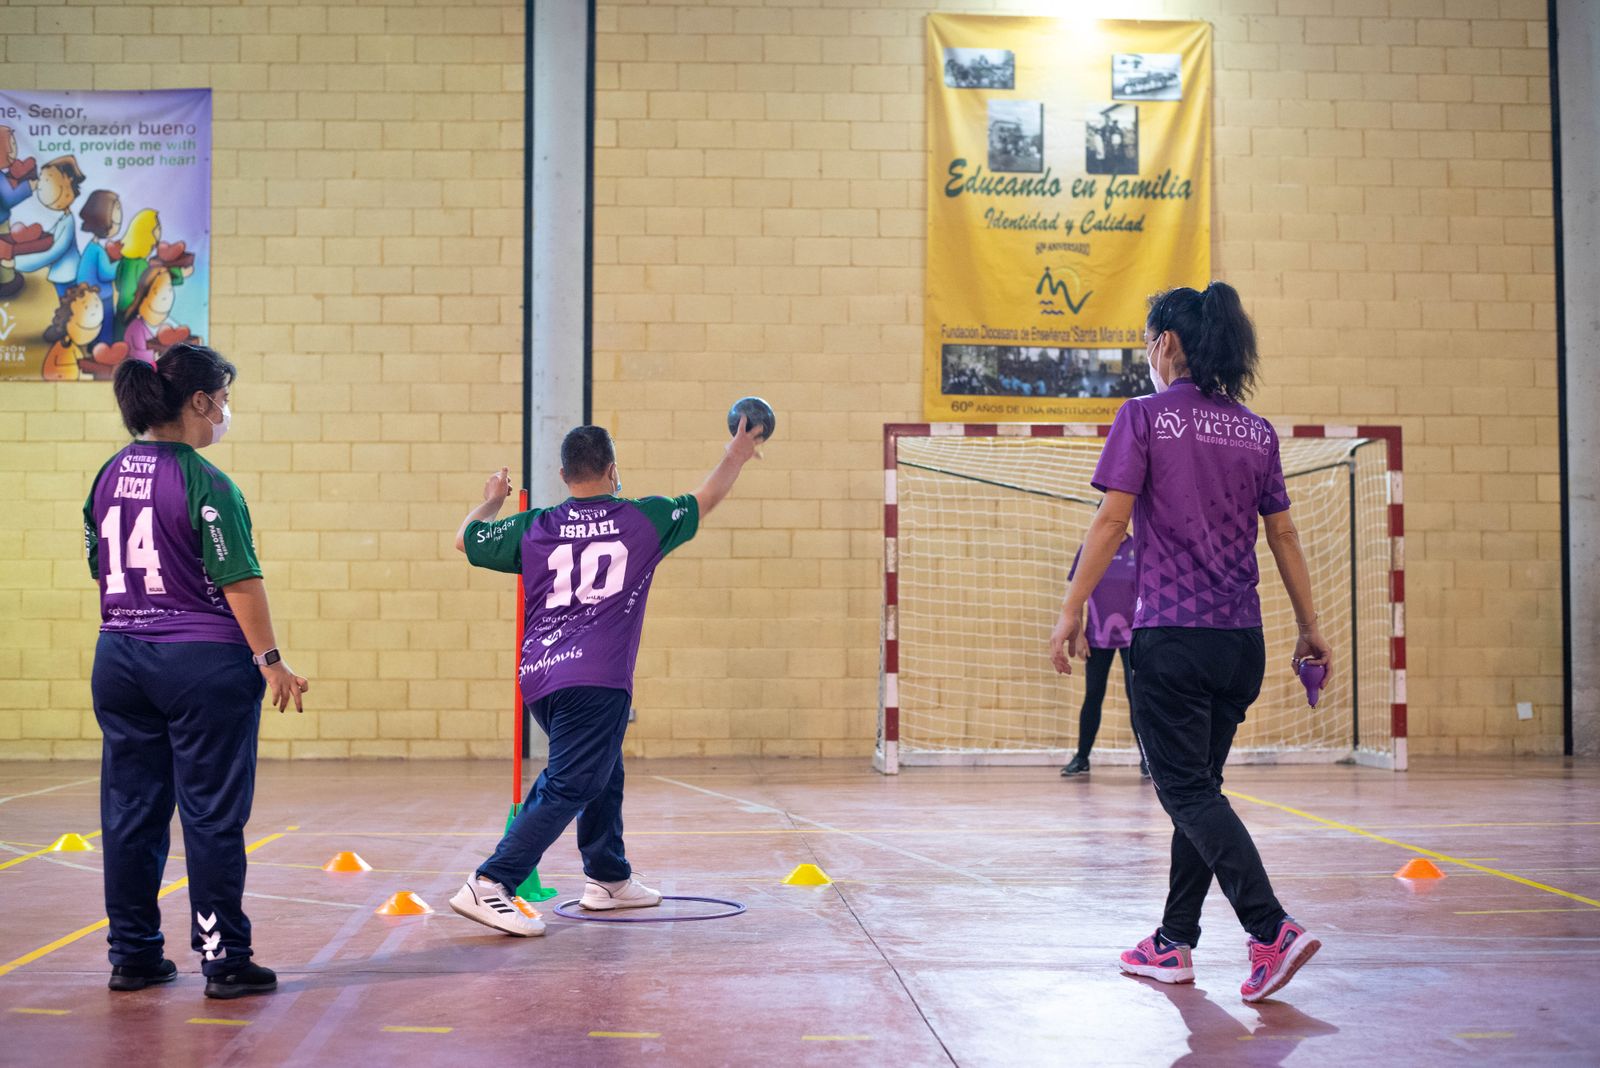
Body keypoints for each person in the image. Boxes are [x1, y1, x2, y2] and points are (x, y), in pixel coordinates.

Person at [1049, 281, 1332, 1003]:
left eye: (1148, 339)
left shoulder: (1143, 417)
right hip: (1243, 644)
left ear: (1166, 343)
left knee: (1185, 792)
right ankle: (1174, 942)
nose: (1146, 352)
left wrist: (1071, 608)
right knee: (1197, 793)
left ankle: (1270, 929)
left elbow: (1112, 523)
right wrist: (1311, 625)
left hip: (1173, 639)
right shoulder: (1257, 431)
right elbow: (1286, 534)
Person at [448, 419, 764, 936]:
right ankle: (490, 882)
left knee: (602, 767)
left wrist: (491, 501)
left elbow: (465, 539)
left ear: (563, 474)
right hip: (597, 679)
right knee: (573, 781)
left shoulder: (535, 525)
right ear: (613, 470)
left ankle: (608, 879)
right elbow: (705, 498)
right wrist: (736, 452)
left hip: (541, 681)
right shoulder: (641, 519)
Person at [86, 343, 308, 999]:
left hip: (119, 658)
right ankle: (222, 959)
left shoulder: (108, 473)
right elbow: (238, 579)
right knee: (210, 817)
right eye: (226, 399)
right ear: (201, 402)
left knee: (131, 813)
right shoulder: (206, 481)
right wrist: (271, 661)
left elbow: (99, 562)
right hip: (200, 665)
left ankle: (132, 955)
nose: (227, 411)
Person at [1058, 526, 1146, 779]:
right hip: (1098, 636)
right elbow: (1077, 595)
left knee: (1137, 697)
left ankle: (1148, 760)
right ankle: (1082, 757)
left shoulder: (1137, 548)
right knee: (1093, 696)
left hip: (1133, 636)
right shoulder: (1090, 548)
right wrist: (1079, 634)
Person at [13, 155, 85, 296]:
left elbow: (54, 251)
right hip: (62, 274)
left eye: (47, 180)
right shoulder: (63, 220)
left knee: (70, 307)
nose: (41, 187)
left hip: (68, 274)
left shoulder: (68, 222)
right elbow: (47, 240)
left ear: (67, 181)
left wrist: (19, 264)